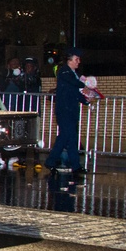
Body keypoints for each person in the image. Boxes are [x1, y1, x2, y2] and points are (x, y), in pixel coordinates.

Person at [45, 47, 90, 177]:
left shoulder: (72, 73)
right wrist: (86, 85)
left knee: (69, 138)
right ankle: (52, 161)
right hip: (65, 110)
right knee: (66, 137)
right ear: (69, 60)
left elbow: (74, 92)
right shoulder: (64, 71)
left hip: (70, 110)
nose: (79, 62)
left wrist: (86, 100)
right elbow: (74, 84)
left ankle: (74, 165)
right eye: (77, 59)